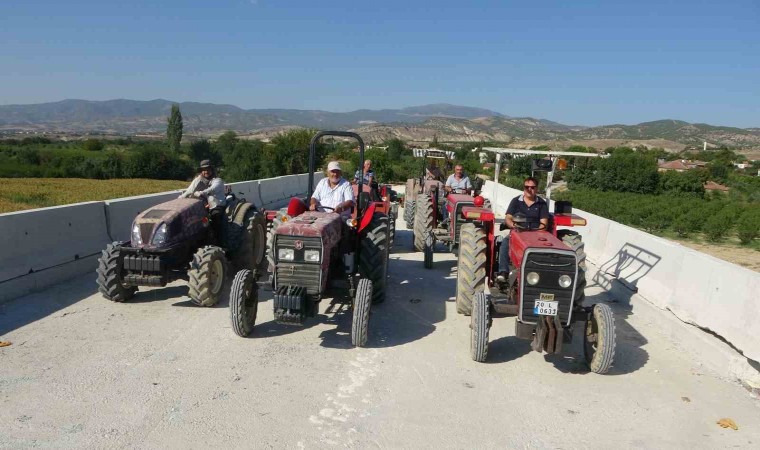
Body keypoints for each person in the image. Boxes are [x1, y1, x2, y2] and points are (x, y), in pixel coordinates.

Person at [495, 176, 549, 283]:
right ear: (523, 188)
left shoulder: (542, 204)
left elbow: (544, 222)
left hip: (535, 234)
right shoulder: (516, 201)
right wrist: (513, 226)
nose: (529, 189)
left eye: (532, 187)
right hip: (518, 231)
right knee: (505, 243)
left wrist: (537, 234)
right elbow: (508, 218)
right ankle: (503, 272)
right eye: (527, 187)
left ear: (536, 189)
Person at [180, 160, 227, 244]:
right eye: (204, 170)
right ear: (201, 171)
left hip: (216, 205)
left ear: (212, 170)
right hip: (203, 206)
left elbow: (212, 189)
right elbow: (189, 191)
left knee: (216, 217)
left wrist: (202, 192)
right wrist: (180, 198)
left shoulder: (217, 180)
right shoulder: (198, 180)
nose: (206, 172)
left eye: (208, 169)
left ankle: (219, 241)